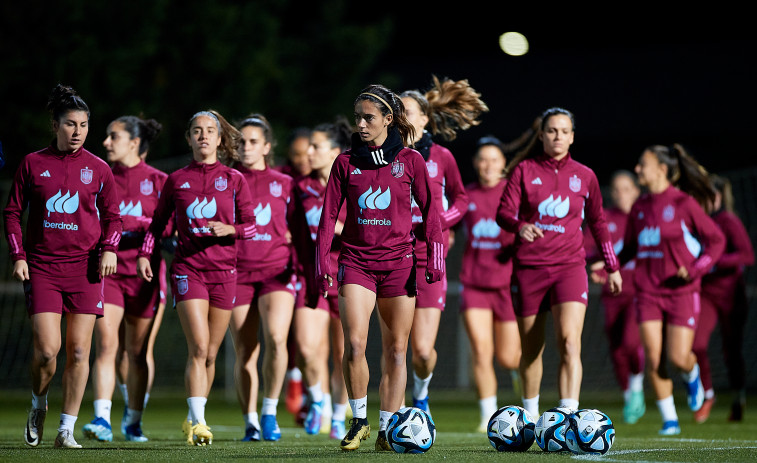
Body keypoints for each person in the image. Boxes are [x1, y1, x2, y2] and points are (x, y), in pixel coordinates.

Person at [315, 85, 444, 451]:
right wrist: (322, 261)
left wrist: (435, 258)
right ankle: (358, 420)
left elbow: (431, 212)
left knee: (397, 351)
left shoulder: (411, 161)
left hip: (400, 265)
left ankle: (388, 429)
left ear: (388, 119)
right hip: (356, 262)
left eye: (368, 117)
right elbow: (327, 218)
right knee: (355, 344)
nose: (361, 124)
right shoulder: (345, 163)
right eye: (358, 117)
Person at [4, 84, 122, 448]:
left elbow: (114, 217)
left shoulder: (99, 169)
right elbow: (11, 212)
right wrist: (18, 255)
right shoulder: (32, 163)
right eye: (70, 124)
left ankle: (66, 430)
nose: (77, 132)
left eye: (84, 125)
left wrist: (109, 249)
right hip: (42, 268)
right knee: (46, 350)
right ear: (54, 125)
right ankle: (39, 403)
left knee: (81, 351)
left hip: (85, 269)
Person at [137, 109, 257, 446]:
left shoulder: (235, 179)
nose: (203, 136)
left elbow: (252, 225)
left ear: (220, 139)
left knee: (210, 354)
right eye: (197, 131)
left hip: (225, 273)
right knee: (198, 346)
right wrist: (146, 254)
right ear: (189, 138)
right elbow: (157, 226)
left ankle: (193, 414)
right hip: (189, 269)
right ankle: (201, 422)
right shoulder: (176, 179)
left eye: (209, 131)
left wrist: (230, 228)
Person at [496, 107, 622, 420]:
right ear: (541, 135)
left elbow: (598, 222)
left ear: (573, 137)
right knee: (532, 349)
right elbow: (503, 212)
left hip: (570, 268)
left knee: (569, 341)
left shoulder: (585, 176)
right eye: (552, 130)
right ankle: (530, 416)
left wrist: (612, 265)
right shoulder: (524, 170)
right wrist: (519, 226)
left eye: (564, 131)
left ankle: (568, 417)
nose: (558, 136)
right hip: (530, 269)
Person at [616, 143, 725, 435]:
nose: (638, 169)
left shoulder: (683, 204)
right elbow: (628, 249)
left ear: (662, 170)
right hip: (647, 291)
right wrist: (607, 265)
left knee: (679, 357)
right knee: (653, 356)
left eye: (643, 164)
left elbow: (716, 241)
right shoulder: (639, 207)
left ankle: (692, 376)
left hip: (681, 291)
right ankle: (670, 419)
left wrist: (696, 269)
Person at [399, 76, 488, 414]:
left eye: (409, 112)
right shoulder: (382, 157)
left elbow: (462, 199)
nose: (404, 118)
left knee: (421, 351)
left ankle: (421, 393)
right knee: (395, 346)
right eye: (398, 112)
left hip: (427, 259)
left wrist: (441, 222)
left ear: (424, 118)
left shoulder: (442, 157)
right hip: (391, 258)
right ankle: (387, 417)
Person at [81, 115, 167, 443]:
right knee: (105, 345)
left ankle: (133, 420)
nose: (105, 142)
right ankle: (102, 418)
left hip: (145, 276)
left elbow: (169, 226)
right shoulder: (100, 178)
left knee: (137, 353)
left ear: (134, 142)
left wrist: (138, 223)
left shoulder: (160, 181)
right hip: (109, 272)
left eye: (113, 136)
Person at [229, 114, 296, 442]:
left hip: (276, 271)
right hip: (237, 274)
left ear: (267, 146)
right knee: (246, 351)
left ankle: (270, 412)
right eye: (241, 141)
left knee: (277, 338)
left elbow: (299, 226)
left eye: (253, 141)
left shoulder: (284, 183)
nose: (246, 147)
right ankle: (251, 420)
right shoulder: (225, 181)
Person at [290, 116, 352, 438]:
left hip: (348, 276)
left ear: (335, 151)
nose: (308, 152)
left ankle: (339, 416)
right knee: (307, 346)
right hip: (311, 277)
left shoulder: (354, 184)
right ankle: (318, 402)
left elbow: (374, 229)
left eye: (316, 146)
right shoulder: (299, 187)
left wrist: (343, 230)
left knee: (346, 352)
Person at [458, 136, 520, 432]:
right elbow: (446, 225)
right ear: (475, 163)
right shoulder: (465, 196)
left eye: (494, 160)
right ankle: (488, 414)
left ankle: (521, 379)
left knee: (509, 357)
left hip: (507, 285)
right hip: (474, 285)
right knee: (481, 351)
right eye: (483, 159)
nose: (488, 165)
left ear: (503, 165)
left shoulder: (513, 194)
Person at [691, 174, 754, 423]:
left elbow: (747, 256)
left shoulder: (728, 221)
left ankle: (738, 397)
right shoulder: (697, 221)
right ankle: (708, 395)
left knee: (732, 350)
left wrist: (714, 261)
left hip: (731, 294)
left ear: (718, 197)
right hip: (706, 293)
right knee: (695, 344)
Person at [586, 170, 645, 424]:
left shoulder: (645, 217)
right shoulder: (605, 219)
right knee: (617, 350)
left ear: (636, 191)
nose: (622, 193)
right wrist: (596, 265)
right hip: (612, 294)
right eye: (617, 189)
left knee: (631, 343)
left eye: (627, 188)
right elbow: (586, 249)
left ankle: (638, 386)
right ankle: (629, 397)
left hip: (641, 292)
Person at [279, 126, 312, 416]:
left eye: (307, 152)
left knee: (332, 341)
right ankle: (294, 380)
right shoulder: (283, 180)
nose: (303, 159)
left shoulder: (329, 179)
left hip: (329, 268)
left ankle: (331, 402)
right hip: (289, 268)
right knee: (294, 335)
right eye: (297, 154)